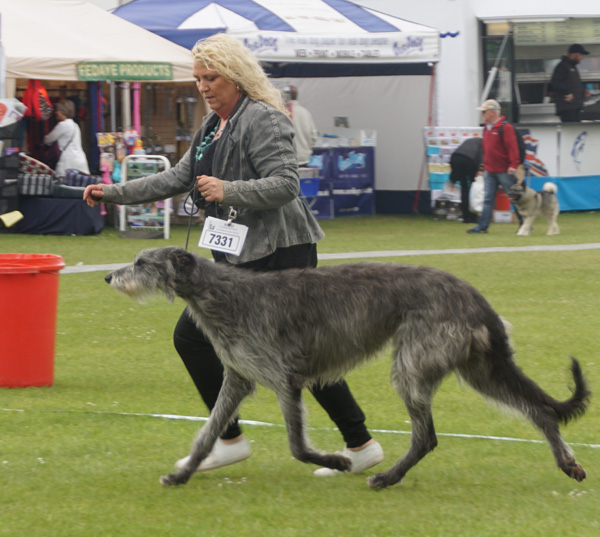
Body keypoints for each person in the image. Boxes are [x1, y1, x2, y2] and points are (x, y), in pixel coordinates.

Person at [83, 33, 383, 477]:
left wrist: (229, 189)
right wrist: (113, 192)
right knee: (205, 339)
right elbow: (177, 178)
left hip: (282, 251)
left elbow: (286, 184)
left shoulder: (263, 118)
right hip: (236, 252)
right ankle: (235, 439)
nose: (204, 86)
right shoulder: (211, 126)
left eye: (213, 77)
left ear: (237, 78)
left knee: (298, 353)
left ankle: (354, 444)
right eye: (198, 78)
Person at [467, 99, 520, 234]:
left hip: (503, 170)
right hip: (490, 170)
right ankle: (482, 226)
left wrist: (513, 165)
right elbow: (485, 149)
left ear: (492, 112)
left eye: (484, 112)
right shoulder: (487, 127)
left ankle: (525, 223)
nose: (482, 114)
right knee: (488, 199)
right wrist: (482, 168)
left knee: (514, 197)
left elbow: (512, 148)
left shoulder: (505, 127)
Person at [43, 99, 90, 177]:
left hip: (67, 162)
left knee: (63, 185)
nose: (56, 112)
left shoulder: (62, 125)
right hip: (80, 160)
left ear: (62, 111)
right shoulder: (75, 125)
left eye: (57, 110)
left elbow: (47, 140)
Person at [550, 44, 591, 123]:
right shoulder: (562, 66)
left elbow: (573, 85)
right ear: (575, 55)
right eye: (581, 55)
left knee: (575, 131)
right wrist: (567, 93)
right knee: (571, 131)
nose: (582, 58)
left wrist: (583, 92)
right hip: (567, 107)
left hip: (575, 106)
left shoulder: (572, 67)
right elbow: (555, 82)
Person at [449, 136, 482, 224]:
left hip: (455, 158)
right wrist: (480, 169)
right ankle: (473, 216)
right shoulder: (484, 143)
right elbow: (481, 156)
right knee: (473, 190)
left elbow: (458, 153)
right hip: (470, 160)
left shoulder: (470, 140)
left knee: (464, 189)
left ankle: (465, 217)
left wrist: (453, 178)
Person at [284, 85, 318, 166]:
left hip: (287, 160)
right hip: (304, 159)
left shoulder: (282, 113)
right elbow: (314, 136)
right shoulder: (305, 112)